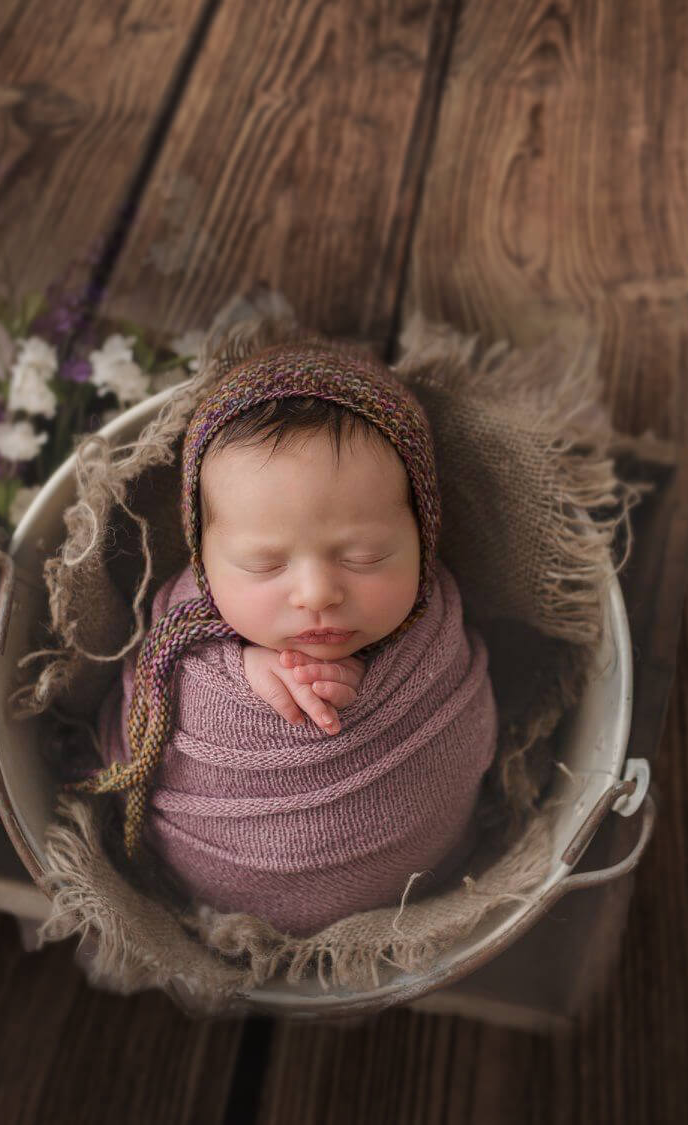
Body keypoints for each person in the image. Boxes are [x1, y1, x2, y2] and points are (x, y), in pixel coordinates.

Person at [69, 338, 498, 937]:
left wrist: (370, 686)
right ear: (203, 561)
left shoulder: (437, 626)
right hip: (210, 889)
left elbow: (464, 737)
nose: (317, 592)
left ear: (423, 537)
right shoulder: (182, 629)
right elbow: (150, 705)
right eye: (265, 565)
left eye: (367, 555)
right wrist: (243, 677)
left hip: (419, 891)